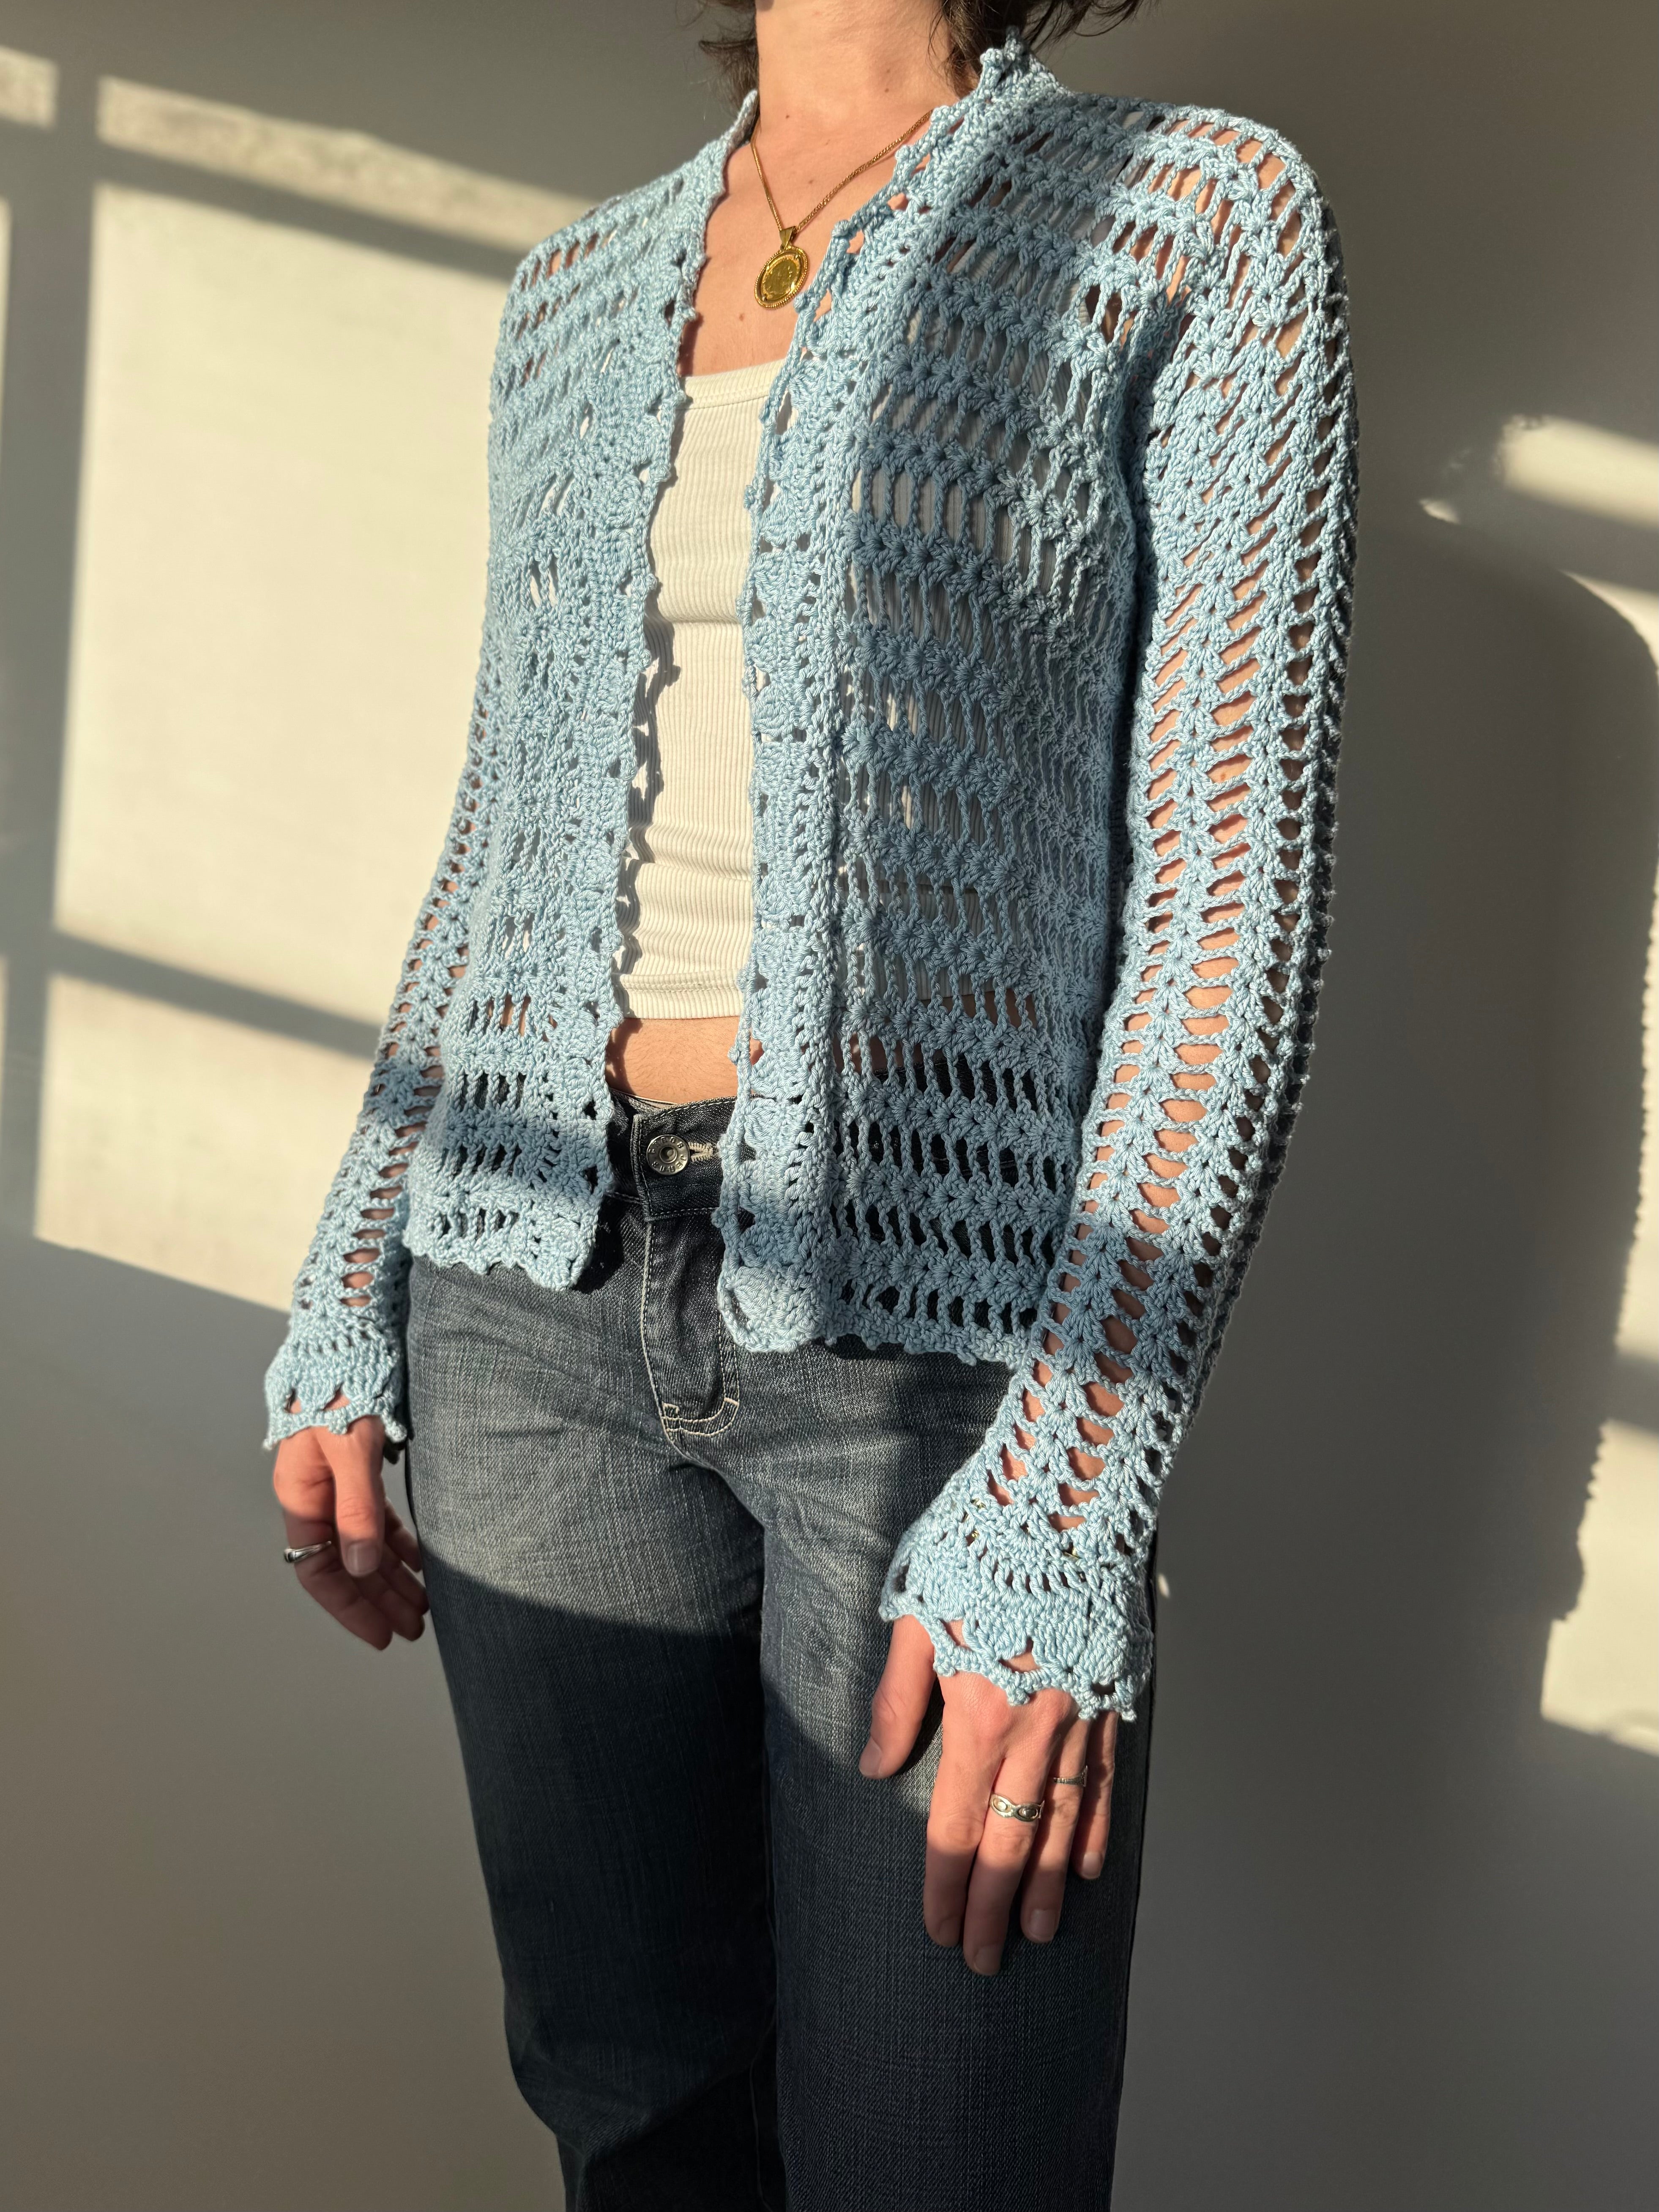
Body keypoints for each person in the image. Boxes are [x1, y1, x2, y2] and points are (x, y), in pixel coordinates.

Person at [265, 2, 1358, 2204]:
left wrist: (1072, 1488)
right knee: (638, 2122)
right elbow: (503, 841)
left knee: (940, 2150)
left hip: (928, 1334)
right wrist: (349, 1278)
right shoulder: (576, 292)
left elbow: (1225, 899)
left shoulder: (1192, 215)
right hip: (525, 1316)